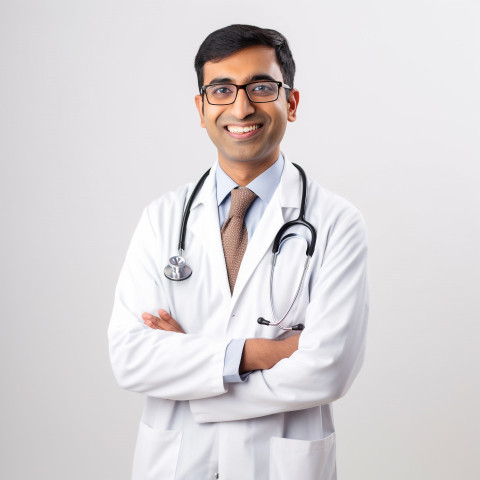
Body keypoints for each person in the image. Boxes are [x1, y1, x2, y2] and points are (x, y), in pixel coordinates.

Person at [108, 24, 369, 480]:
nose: (241, 106)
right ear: (202, 107)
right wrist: (262, 352)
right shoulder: (162, 219)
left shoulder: (336, 222)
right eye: (222, 89)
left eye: (261, 87)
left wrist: (193, 369)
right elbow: (130, 357)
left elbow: (328, 369)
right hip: (176, 464)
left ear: (291, 102)